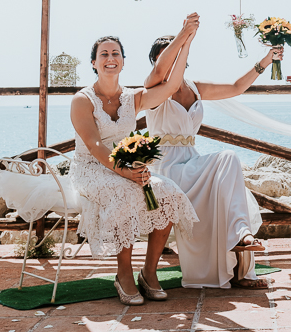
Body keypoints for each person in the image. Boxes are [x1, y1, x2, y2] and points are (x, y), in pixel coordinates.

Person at [144, 23, 283, 289]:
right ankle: (237, 251)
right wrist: (186, 35)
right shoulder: (153, 87)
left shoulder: (195, 87)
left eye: (177, 52)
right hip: (166, 167)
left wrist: (267, 59)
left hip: (191, 160)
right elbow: (162, 72)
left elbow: (236, 87)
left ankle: (241, 236)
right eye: (167, 54)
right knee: (221, 174)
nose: (173, 58)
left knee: (228, 157)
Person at [70, 25, 200, 306]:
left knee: (170, 194)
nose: (110, 58)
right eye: (103, 54)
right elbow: (94, 146)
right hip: (92, 168)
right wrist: (126, 172)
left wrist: (185, 41)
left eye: (115, 53)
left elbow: (170, 85)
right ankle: (123, 274)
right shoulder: (82, 100)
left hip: (126, 166)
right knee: (127, 194)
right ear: (94, 63)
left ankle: (149, 272)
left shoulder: (132, 97)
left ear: (123, 61)